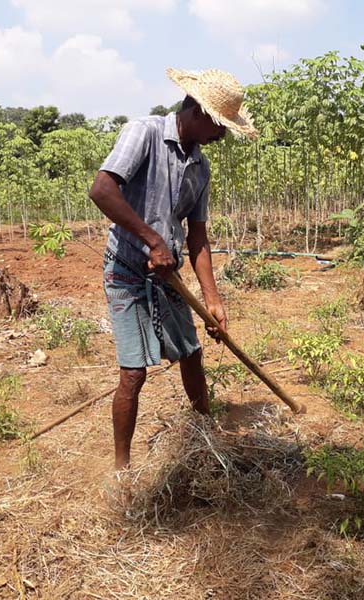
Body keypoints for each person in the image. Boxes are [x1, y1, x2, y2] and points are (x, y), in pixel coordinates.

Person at [89, 68, 259, 469]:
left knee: (192, 354)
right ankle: (121, 468)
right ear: (199, 112)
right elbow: (102, 189)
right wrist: (152, 239)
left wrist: (213, 300)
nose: (221, 137)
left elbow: (197, 237)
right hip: (127, 272)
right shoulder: (143, 133)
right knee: (134, 374)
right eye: (220, 127)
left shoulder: (200, 168)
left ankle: (206, 440)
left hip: (167, 275)